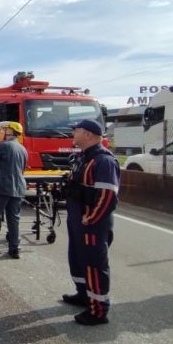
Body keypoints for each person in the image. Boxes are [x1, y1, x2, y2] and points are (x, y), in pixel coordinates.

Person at [62, 119, 120, 326]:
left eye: (76, 130)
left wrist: (90, 219)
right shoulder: (83, 157)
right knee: (77, 259)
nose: (73, 134)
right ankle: (83, 295)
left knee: (94, 265)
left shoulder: (103, 161)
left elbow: (107, 196)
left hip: (91, 224)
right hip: (78, 220)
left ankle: (98, 311)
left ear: (87, 134)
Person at [0, 121, 28, 259]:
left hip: (2, 188)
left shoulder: (3, 146)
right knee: (14, 219)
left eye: (3, 130)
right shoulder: (23, 149)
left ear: (9, 132)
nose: (1, 132)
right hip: (19, 188)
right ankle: (14, 249)